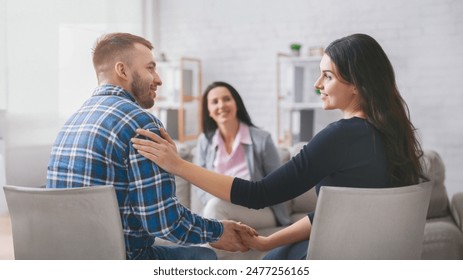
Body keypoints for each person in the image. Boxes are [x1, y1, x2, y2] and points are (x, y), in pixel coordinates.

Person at [130, 33, 426, 259]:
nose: (317, 84)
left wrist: (178, 165)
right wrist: (269, 241)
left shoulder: (340, 136)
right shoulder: (392, 134)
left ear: (356, 84)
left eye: (327, 75)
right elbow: (331, 214)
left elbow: (259, 194)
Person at [46, 32, 254, 260]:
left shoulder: (71, 123)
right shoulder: (141, 124)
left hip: (69, 259)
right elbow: (164, 222)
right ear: (122, 71)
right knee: (205, 257)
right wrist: (218, 232)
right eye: (150, 68)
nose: (159, 79)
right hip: (123, 260)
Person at [194, 81, 291, 229]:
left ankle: (205, 251)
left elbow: (279, 184)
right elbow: (199, 184)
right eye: (214, 102)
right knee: (216, 207)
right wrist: (218, 199)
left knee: (216, 208)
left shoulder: (262, 139)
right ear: (208, 110)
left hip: (260, 210)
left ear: (236, 104)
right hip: (218, 208)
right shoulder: (204, 141)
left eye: (226, 99)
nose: (221, 105)